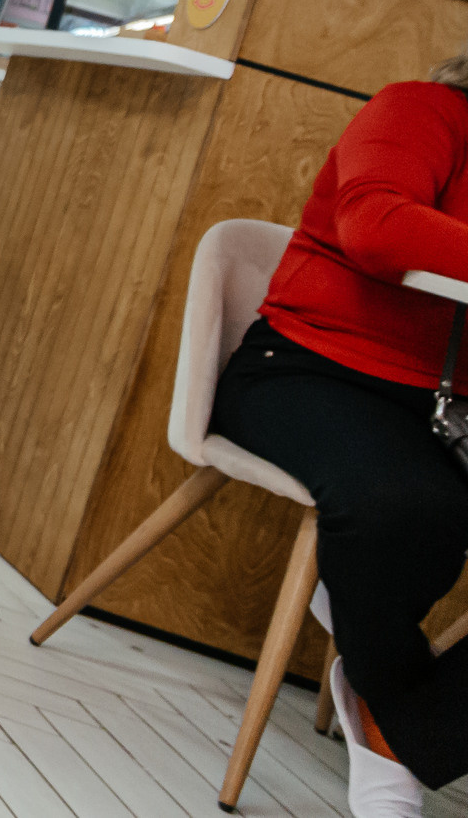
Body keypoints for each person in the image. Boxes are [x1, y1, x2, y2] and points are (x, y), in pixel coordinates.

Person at [210, 61, 468, 813]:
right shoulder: (422, 107)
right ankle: (393, 723)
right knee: (404, 506)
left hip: (446, 411)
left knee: (407, 507)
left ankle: (400, 711)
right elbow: (376, 225)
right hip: (312, 369)